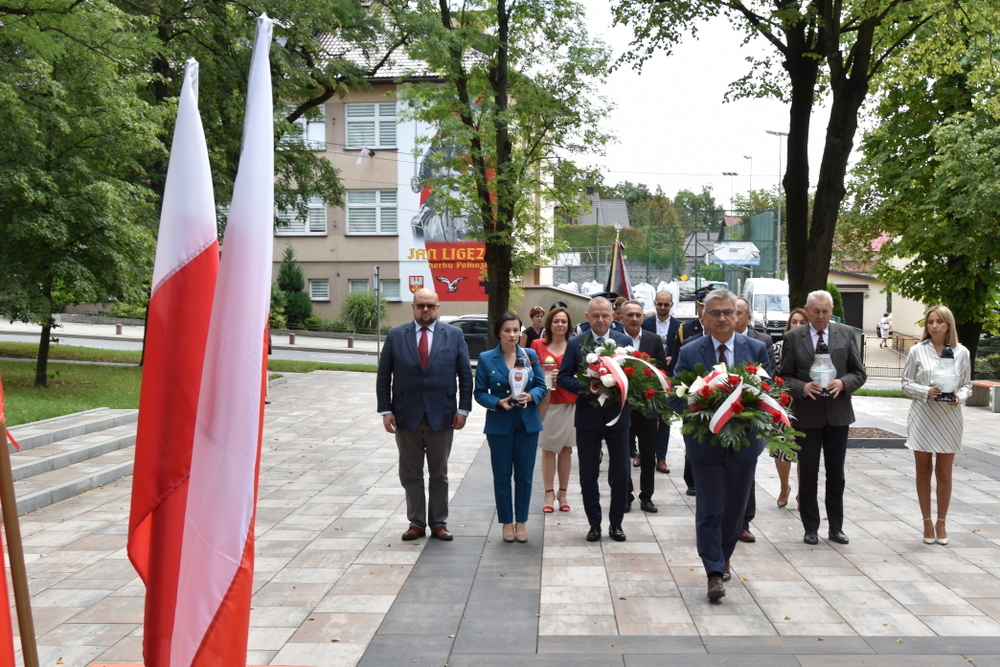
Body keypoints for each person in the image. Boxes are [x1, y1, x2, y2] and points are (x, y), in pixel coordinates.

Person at [669, 289, 771, 601]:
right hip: (705, 445)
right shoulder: (690, 351)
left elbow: (769, 394)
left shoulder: (756, 349)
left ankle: (724, 556)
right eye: (715, 313)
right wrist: (701, 405)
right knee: (710, 509)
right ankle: (713, 572)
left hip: (744, 444)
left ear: (738, 316)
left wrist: (746, 410)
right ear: (704, 318)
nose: (723, 318)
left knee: (735, 512)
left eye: (728, 312)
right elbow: (676, 396)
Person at [376, 288, 473, 542]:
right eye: (421, 306)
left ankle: (439, 523)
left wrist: (463, 409)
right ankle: (416, 522)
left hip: (442, 416)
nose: (426, 310)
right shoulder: (396, 335)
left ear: (438, 307)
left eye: (430, 305)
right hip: (406, 415)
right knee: (410, 473)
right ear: (413, 307)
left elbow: (465, 375)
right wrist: (386, 410)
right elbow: (384, 376)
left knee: (439, 473)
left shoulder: (454, 335)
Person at [779, 290, 866, 546]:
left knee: (836, 475)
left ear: (832, 311)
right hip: (807, 415)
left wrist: (843, 382)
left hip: (838, 415)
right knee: (808, 474)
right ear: (807, 311)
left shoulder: (846, 334)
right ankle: (810, 528)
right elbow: (784, 376)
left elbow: (859, 372)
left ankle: (836, 527)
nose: (820, 316)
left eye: (825, 311)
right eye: (816, 311)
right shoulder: (793, 337)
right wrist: (802, 387)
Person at [557, 296, 634, 543]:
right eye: (596, 316)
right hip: (588, 419)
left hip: (618, 418)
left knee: (620, 473)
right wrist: (589, 387)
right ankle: (594, 523)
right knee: (588, 474)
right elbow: (563, 377)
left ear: (613, 316)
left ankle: (616, 523)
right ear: (587, 317)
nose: (601, 320)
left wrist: (618, 387)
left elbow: (635, 376)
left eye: (605, 315)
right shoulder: (576, 343)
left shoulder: (624, 341)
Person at [901, 305, 972, 545]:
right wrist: (926, 391)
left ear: (949, 324)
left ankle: (942, 522)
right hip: (923, 416)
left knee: (944, 473)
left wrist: (959, 397)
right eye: (930, 322)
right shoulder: (917, 351)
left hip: (949, 417)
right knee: (923, 471)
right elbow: (906, 383)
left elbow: (967, 385)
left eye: (939, 321)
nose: (934, 326)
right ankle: (926, 522)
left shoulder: (962, 352)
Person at [474, 312, 548, 543]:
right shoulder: (487, 358)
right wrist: (498, 402)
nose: (512, 335)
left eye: (516, 330)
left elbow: (541, 385)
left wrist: (531, 396)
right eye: (507, 330)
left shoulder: (529, 355)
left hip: (527, 423)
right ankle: (507, 522)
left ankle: (521, 521)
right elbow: (479, 393)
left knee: (525, 475)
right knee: (502, 475)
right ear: (499, 332)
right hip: (500, 423)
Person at [734, 297, 776, 544]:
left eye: (739, 313)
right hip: (719, 416)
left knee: (745, 475)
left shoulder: (761, 343)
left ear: (748, 317)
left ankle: (744, 522)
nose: (733, 317)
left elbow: (768, 379)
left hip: (748, 418)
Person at [621, 300, 668, 513]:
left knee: (648, 453)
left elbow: (662, 373)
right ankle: (626, 495)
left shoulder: (654, 340)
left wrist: (659, 405)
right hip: (622, 407)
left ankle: (646, 496)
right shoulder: (615, 340)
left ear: (643, 318)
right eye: (629, 315)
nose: (634, 319)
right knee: (622, 453)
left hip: (647, 408)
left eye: (638, 315)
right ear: (621, 317)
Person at [531, 307, 576, 514]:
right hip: (546, 404)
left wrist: (568, 378)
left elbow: (583, 374)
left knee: (566, 449)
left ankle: (563, 494)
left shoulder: (575, 346)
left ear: (568, 325)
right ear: (549, 324)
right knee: (548, 449)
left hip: (569, 402)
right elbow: (529, 372)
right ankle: (548, 493)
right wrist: (544, 376)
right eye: (556, 321)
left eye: (563, 322)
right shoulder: (537, 345)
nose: (560, 325)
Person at [771, 307, 808, 508]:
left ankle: (803, 492)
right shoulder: (778, 347)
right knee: (782, 450)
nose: (797, 325)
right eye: (794, 321)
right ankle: (784, 487)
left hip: (807, 405)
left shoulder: (812, 347)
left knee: (805, 451)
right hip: (783, 406)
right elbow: (774, 376)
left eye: (802, 322)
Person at [641, 290, 680, 474]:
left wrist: (673, 358)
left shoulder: (679, 327)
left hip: (669, 377)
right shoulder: (646, 323)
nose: (663, 307)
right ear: (655, 303)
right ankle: (643, 453)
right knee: (644, 417)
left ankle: (661, 458)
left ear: (671, 305)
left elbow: (682, 350)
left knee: (665, 418)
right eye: (660, 304)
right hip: (649, 376)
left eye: (666, 304)